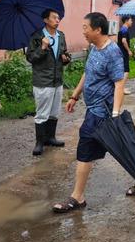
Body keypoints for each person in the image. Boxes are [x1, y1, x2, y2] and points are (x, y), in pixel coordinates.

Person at [52, 12, 125, 213]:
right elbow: (88, 72)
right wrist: (75, 95)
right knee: (122, 147)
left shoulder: (113, 52)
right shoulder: (94, 48)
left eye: (85, 27)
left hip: (102, 112)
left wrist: (116, 114)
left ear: (98, 29)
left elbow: (119, 84)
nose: (83, 31)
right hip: (92, 109)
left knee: (86, 150)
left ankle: (77, 197)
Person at [26, 9, 71, 156]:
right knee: (42, 114)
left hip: (57, 81)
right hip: (43, 81)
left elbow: (65, 53)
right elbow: (31, 58)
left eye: (58, 18)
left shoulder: (61, 35)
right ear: (46, 20)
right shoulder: (37, 37)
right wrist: (43, 47)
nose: (58, 20)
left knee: (54, 112)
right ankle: (39, 143)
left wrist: (66, 58)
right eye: (54, 17)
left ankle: (50, 138)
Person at [117, 16, 133, 95]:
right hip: (123, 53)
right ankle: (121, 89)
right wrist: (129, 50)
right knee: (126, 71)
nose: (132, 22)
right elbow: (124, 41)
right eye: (130, 20)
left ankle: (121, 87)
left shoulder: (122, 29)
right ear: (126, 21)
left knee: (123, 70)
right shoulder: (124, 30)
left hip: (120, 52)